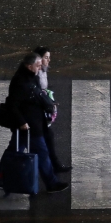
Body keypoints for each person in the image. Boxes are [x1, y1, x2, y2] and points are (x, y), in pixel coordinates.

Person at [7, 52, 68, 193]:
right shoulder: (20, 82)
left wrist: (49, 103)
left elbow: (37, 95)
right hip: (30, 126)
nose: (40, 68)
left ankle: (1, 176)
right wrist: (22, 122)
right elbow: (13, 105)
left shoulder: (30, 77)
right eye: (38, 65)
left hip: (36, 122)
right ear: (29, 66)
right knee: (42, 153)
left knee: (14, 150)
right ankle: (51, 184)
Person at [34, 45, 70, 173]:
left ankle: (54, 165)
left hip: (40, 109)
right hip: (35, 112)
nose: (48, 60)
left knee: (47, 137)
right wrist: (47, 103)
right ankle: (52, 167)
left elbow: (43, 91)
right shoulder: (35, 73)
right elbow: (37, 93)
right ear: (39, 59)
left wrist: (50, 100)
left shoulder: (43, 70)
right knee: (46, 137)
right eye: (46, 57)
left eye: (49, 58)